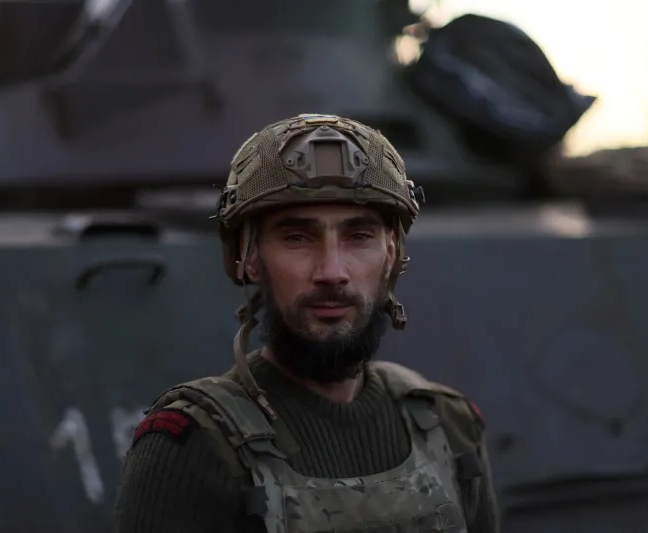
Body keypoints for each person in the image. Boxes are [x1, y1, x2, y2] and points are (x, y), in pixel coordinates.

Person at [113, 113, 501, 532]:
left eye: (359, 236)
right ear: (250, 257)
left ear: (392, 255)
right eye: (297, 237)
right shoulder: (192, 446)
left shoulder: (447, 424)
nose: (332, 271)